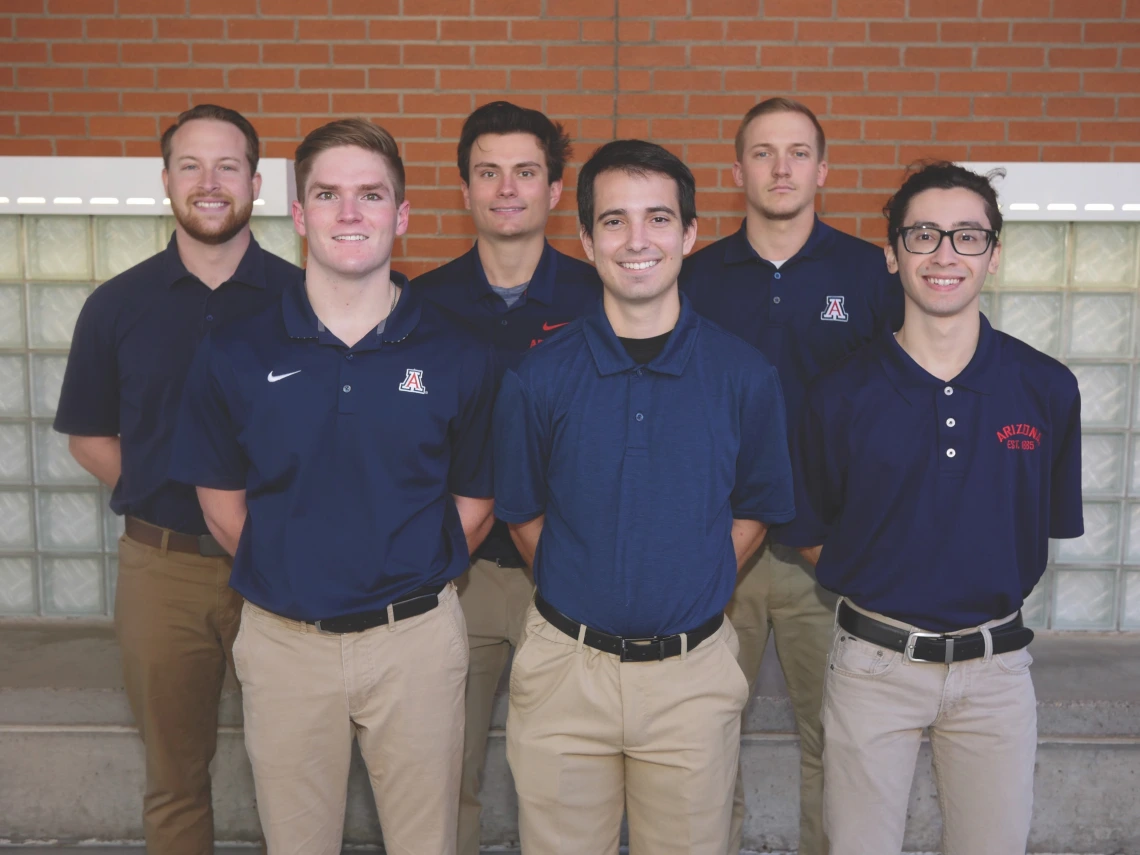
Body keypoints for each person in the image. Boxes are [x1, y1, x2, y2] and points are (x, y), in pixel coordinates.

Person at [168, 118, 497, 855]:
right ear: (300, 213)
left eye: (371, 195)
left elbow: (475, 502)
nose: (350, 214)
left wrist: (403, 576)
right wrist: (295, 574)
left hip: (414, 642)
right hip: (285, 642)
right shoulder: (236, 349)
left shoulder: (458, 352)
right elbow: (221, 501)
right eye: (328, 194)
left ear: (401, 215)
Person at [494, 139, 795, 855]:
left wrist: (689, 574)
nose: (637, 240)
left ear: (690, 234)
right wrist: (592, 581)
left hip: (691, 676)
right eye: (614, 221)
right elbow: (524, 512)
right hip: (566, 671)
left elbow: (753, 506)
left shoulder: (744, 375)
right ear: (587, 237)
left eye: (659, 219)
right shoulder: (538, 377)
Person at [783, 161, 1083, 855]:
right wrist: (889, 579)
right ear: (891, 253)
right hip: (874, 665)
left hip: (997, 672)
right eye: (923, 234)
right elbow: (811, 529)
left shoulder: (1045, 387)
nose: (945, 254)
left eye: (967, 236)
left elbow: (1036, 525)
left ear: (994, 255)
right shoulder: (838, 395)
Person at [53, 104, 302, 855]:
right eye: (190, 165)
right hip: (162, 570)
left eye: (228, 166)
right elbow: (89, 436)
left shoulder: (306, 299)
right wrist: (166, 486)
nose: (209, 182)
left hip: (283, 566)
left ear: (257, 183)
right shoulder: (117, 306)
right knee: (174, 777)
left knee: (297, 772)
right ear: (165, 181)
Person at [679, 97, 903, 855]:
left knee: (835, 742)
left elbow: (896, 410)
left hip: (826, 557)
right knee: (702, 744)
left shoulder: (869, 275)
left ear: (823, 170)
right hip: (719, 549)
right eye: (765, 152)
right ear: (735, 169)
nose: (781, 167)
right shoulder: (697, 276)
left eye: (798, 152)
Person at [411, 99, 602, 855]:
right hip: (455, 575)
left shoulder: (601, 298)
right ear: (464, 189)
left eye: (526, 172)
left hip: (566, 570)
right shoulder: (419, 303)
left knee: (566, 782)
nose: (506, 188)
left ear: (556, 190)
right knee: (440, 773)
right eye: (487, 172)